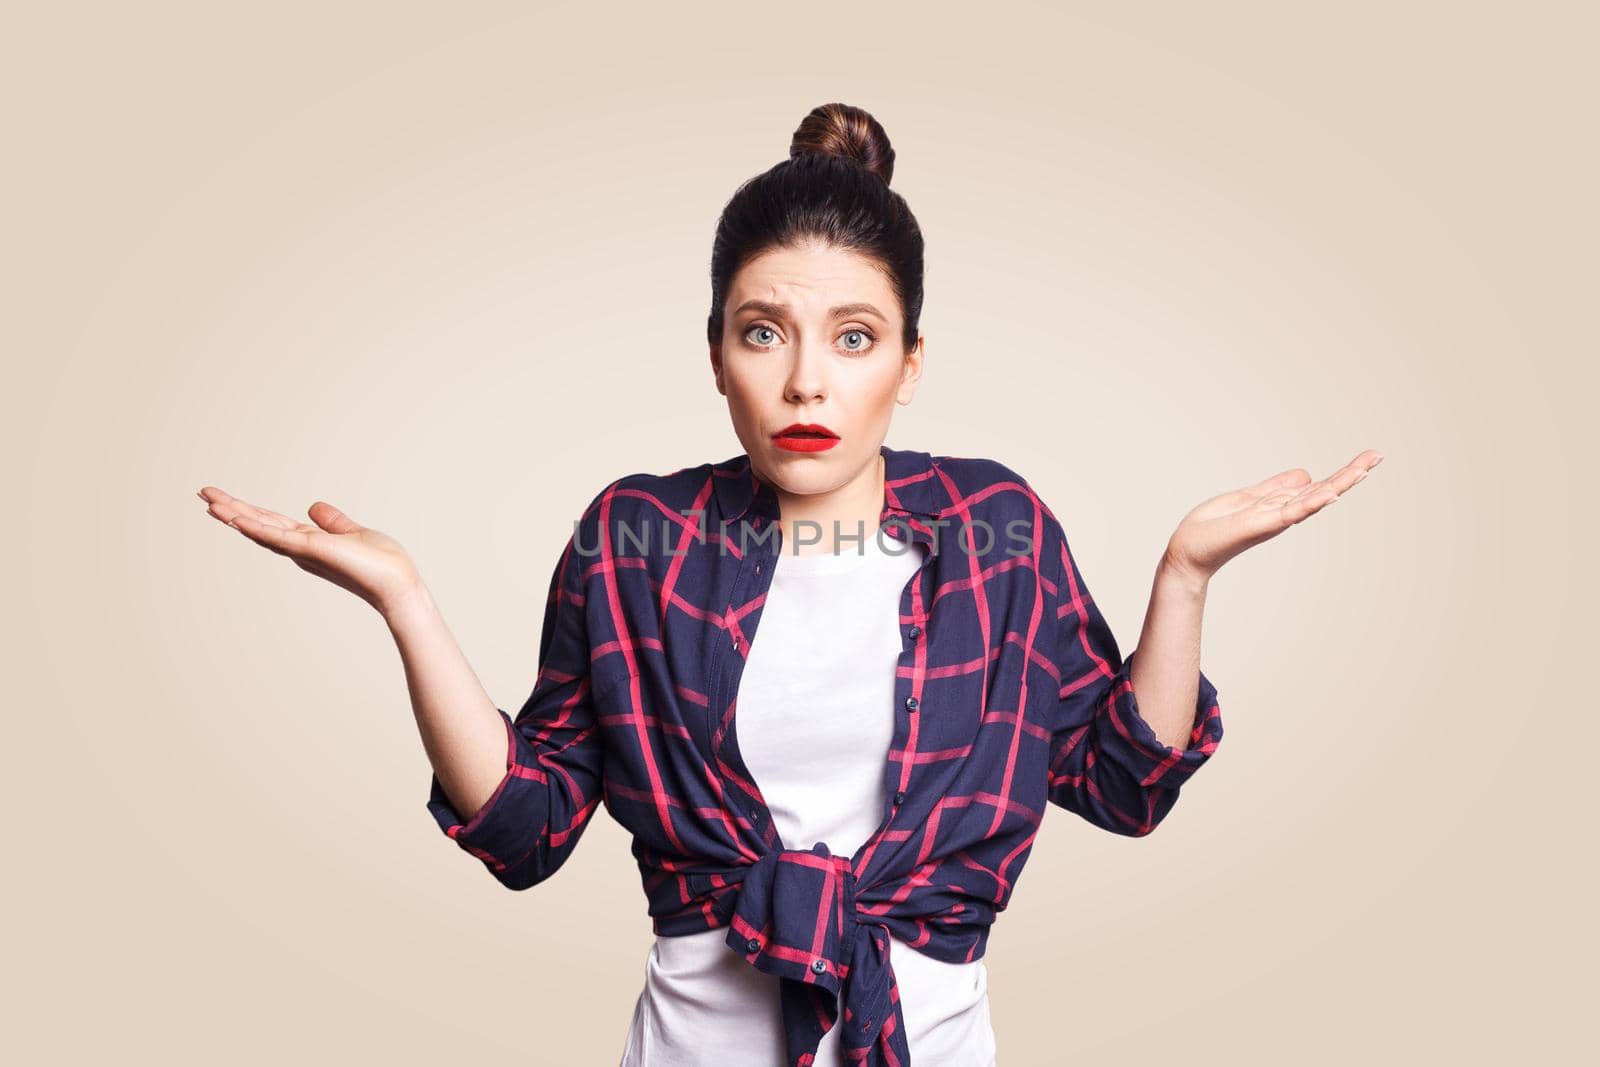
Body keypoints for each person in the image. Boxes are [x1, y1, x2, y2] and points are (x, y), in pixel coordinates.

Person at [198, 102, 1382, 1066]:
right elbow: (526, 822)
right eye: (764, 333)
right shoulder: (635, 537)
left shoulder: (996, 531)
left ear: (910, 363)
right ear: (716, 352)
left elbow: (1123, 782)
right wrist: (405, 600)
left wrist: (1182, 577)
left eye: (854, 337)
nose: (807, 379)